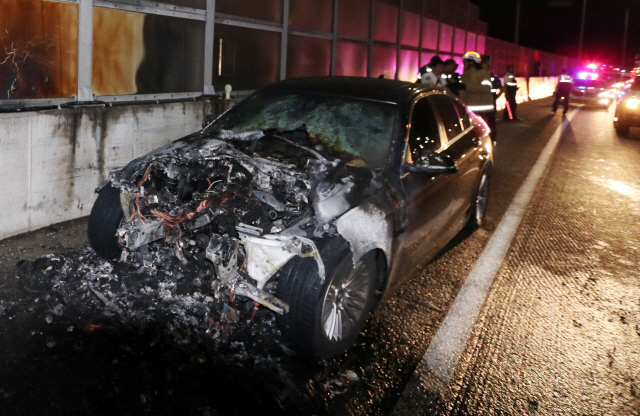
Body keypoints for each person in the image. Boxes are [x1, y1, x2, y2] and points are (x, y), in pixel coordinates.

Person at [460, 51, 495, 144]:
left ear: (472, 63)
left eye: (465, 62)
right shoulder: (465, 75)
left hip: (482, 108)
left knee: (484, 132)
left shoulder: (482, 73)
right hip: (469, 108)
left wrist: (467, 87)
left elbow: (487, 88)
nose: (463, 64)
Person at [481, 56, 502, 143]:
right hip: (480, 102)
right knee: (481, 121)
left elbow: (501, 89)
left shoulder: (493, 77)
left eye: (485, 67)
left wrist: (496, 97)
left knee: (491, 121)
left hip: (490, 102)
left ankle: (492, 138)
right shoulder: (478, 77)